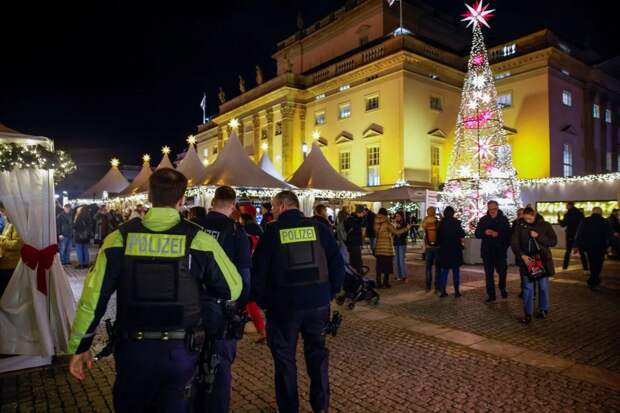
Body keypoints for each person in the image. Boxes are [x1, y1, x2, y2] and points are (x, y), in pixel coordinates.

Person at [68, 168, 242, 412]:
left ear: (149, 196)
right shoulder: (199, 240)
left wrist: (81, 346)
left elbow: (92, 299)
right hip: (181, 352)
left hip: (133, 351)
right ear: (182, 200)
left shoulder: (118, 239)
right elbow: (232, 288)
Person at [252, 190, 345, 413]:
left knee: (285, 361)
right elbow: (337, 263)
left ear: (283, 206)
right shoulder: (319, 228)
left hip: (283, 307)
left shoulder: (272, 232)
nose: (272, 211)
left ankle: (288, 408)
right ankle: (321, 406)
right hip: (318, 305)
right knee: (318, 356)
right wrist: (329, 292)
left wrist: (264, 302)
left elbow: (259, 273)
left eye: (273, 207)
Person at [192, 186, 251, 413]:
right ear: (233, 205)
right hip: (222, 310)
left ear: (213, 202)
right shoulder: (237, 232)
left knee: (191, 362)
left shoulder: (194, 229)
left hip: (192, 307)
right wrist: (241, 308)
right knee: (220, 367)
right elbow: (244, 276)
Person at [511, 207, 557, 324]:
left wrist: (538, 236)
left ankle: (543, 309)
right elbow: (515, 243)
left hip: (542, 260)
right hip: (528, 261)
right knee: (528, 288)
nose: (527, 221)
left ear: (534, 215)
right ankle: (528, 314)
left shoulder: (545, 225)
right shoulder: (519, 226)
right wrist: (522, 255)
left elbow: (553, 241)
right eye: (525, 218)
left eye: (529, 219)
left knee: (543, 287)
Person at [475, 200, 511, 303]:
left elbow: (508, 235)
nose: (492, 211)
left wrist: (498, 234)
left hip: (500, 251)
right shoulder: (484, 220)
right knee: (489, 275)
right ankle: (491, 295)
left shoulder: (504, 220)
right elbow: (477, 234)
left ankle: (502, 287)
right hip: (487, 252)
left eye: (494, 209)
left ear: (497, 208)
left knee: (502, 272)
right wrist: (484, 232)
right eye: (490, 209)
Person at [575, 207, 613, 288]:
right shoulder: (604, 221)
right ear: (601, 212)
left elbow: (579, 233)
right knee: (599, 262)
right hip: (601, 246)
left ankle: (593, 277)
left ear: (592, 212)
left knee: (591, 261)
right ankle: (595, 277)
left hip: (589, 245)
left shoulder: (585, 220)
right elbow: (609, 234)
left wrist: (576, 245)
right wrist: (610, 245)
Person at [374, 208, 410, 288]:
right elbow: (396, 232)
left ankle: (379, 283)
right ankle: (385, 282)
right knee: (387, 265)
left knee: (379, 265)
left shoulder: (375, 223)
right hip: (387, 248)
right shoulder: (387, 223)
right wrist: (406, 228)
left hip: (379, 247)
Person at [436, 206, 466, 298]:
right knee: (456, 271)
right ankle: (457, 291)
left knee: (444, 271)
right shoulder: (456, 222)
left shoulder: (441, 223)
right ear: (453, 213)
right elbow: (462, 234)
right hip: (455, 250)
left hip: (444, 251)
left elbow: (438, 238)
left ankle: (443, 291)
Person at [0, 203, 23, 297]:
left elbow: (17, 245)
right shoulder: (9, 222)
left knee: (6, 291)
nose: (2, 213)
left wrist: (1, 239)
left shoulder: (18, 224)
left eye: (3, 210)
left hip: (11, 264)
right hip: (5, 261)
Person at [559, 201, 587, 271]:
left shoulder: (568, 214)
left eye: (567, 205)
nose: (566, 207)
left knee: (568, 251)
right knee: (581, 252)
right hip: (579, 234)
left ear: (570, 205)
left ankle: (565, 267)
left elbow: (563, 224)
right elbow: (583, 223)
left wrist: (559, 219)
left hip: (570, 234)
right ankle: (586, 269)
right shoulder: (580, 213)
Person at [422, 207, 441, 292]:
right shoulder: (437, 221)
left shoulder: (425, 221)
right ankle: (437, 286)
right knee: (437, 267)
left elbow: (421, 229)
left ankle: (428, 285)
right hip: (437, 247)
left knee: (428, 267)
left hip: (428, 247)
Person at [344, 205, 365, 275]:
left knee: (354, 259)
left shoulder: (355, 219)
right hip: (353, 242)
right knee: (357, 259)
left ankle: (354, 274)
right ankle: (358, 274)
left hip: (353, 242)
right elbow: (355, 232)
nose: (363, 214)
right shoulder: (353, 220)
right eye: (363, 212)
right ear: (359, 212)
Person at [511, 208, 525, 298]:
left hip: (530, 253)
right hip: (520, 252)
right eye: (519, 213)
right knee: (522, 272)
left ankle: (532, 291)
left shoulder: (529, 223)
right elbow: (512, 237)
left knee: (533, 272)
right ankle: (524, 289)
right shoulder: (515, 224)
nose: (520, 215)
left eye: (522, 213)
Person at [393, 211, 408, 282]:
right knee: (396, 260)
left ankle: (404, 276)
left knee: (401, 260)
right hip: (395, 243)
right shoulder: (394, 224)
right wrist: (395, 227)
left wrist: (399, 230)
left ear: (401, 217)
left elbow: (405, 234)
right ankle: (397, 275)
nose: (397, 217)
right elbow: (393, 234)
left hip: (402, 244)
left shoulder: (404, 224)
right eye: (396, 216)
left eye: (398, 216)